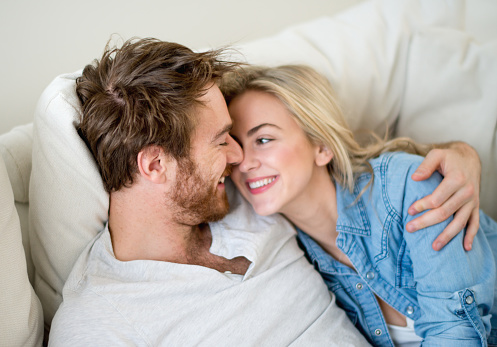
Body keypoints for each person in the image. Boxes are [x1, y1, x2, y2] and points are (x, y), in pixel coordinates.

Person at [49, 37, 482, 346]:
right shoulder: (100, 322)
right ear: (155, 165)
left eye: (255, 139)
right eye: (223, 139)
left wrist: (461, 154)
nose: (239, 157)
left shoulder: (240, 201)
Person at [221, 64, 497, 346]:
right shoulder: (294, 262)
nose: (244, 162)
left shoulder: (407, 187)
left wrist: (465, 152)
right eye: (236, 146)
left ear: (322, 147)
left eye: (263, 139)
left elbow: (456, 332)